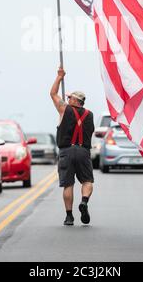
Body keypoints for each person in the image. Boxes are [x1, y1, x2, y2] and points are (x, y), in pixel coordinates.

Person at [50, 67, 95, 226]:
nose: (68, 100)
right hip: (83, 151)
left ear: (76, 101)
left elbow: (53, 94)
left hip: (66, 151)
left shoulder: (64, 109)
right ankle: (84, 201)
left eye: (70, 98)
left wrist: (59, 77)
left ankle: (69, 216)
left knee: (68, 184)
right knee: (87, 181)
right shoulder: (90, 115)